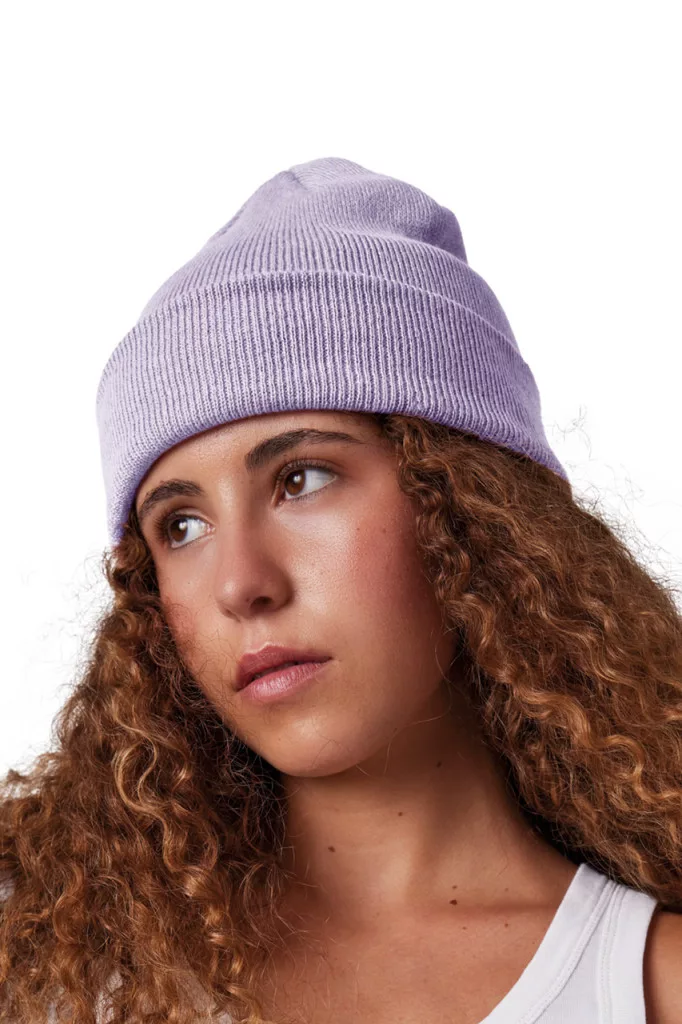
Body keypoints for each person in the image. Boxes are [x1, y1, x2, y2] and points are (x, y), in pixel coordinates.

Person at [1, 157, 680, 1024]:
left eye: (303, 479)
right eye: (182, 525)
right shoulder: (45, 964)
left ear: (474, 512)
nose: (241, 583)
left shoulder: (651, 987)